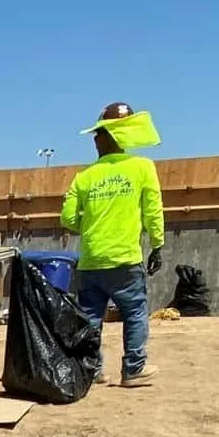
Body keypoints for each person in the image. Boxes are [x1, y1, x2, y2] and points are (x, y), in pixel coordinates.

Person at [59, 103, 166, 387]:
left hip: (91, 260)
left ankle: (92, 371)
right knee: (134, 314)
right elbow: (153, 210)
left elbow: (67, 218)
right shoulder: (143, 168)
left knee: (91, 318)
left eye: (98, 134)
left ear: (106, 137)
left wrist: (92, 224)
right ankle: (133, 369)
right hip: (124, 260)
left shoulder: (84, 176)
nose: (94, 140)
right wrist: (158, 244)